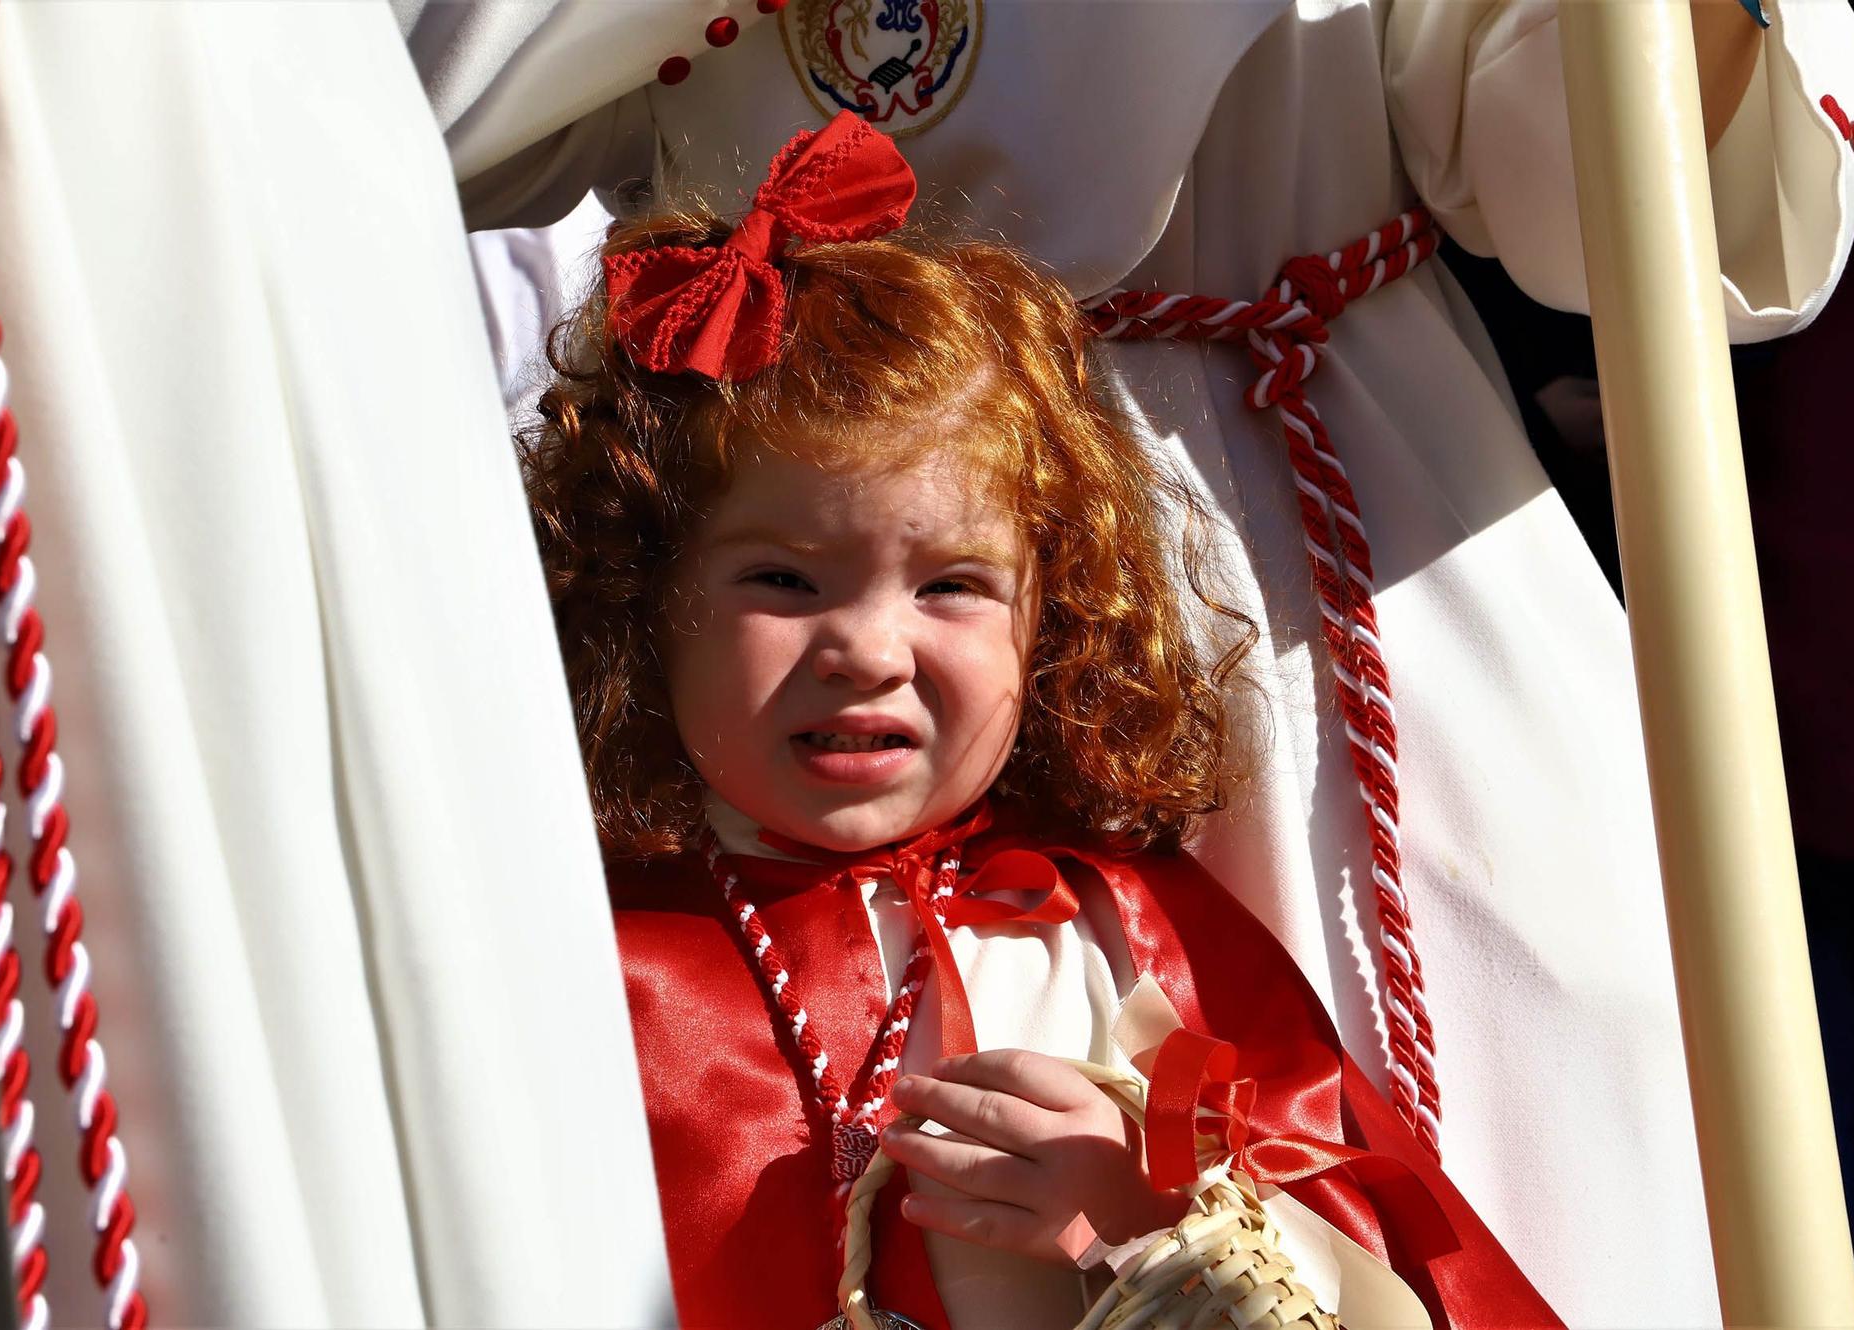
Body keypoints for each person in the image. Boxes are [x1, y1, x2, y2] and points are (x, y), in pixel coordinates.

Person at [422, 2, 1854, 1320]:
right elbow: (385, 93)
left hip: (1343, 596)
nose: (876, 646)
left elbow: (1617, 177)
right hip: (767, 480)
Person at [525, 109, 1560, 1328]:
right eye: (782, 581)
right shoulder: (577, 967)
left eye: (950, 586)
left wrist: (1153, 1221)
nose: (866, 647)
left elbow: (1370, 1281)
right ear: (644, 598)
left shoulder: (1134, 937)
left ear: (1046, 618)